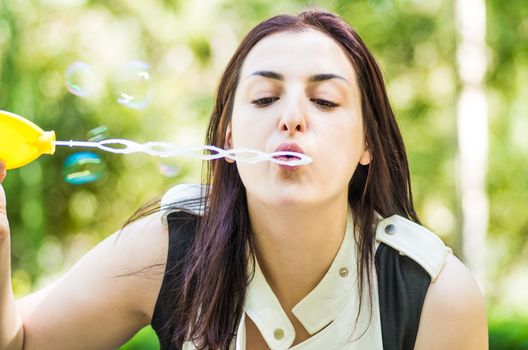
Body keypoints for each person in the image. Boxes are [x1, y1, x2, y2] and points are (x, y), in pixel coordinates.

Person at [0, 8, 487, 350]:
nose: (292, 118)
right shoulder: (173, 245)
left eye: (324, 101)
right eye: (263, 98)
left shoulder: (434, 295)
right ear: (228, 138)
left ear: (367, 144)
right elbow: (21, 341)